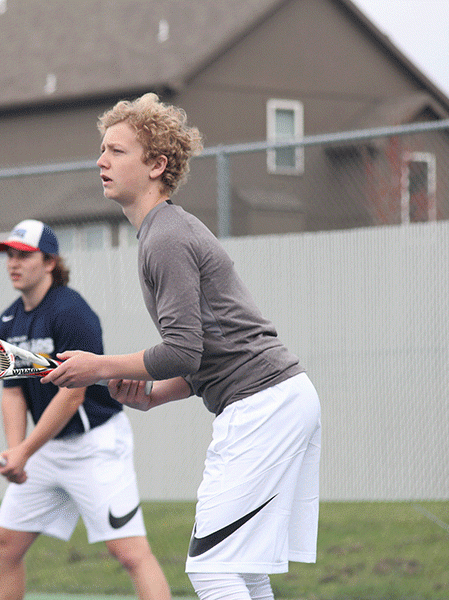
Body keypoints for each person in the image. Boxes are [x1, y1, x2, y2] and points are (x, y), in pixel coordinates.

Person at [41, 93, 322, 600]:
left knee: (212, 569)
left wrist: (98, 368)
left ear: (157, 165)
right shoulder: (163, 234)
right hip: (275, 399)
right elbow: (206, 353)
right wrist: (154, 394)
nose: (101, 161)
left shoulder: (166, 238)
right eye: (102, 150)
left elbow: (183, 350)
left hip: (263, 404)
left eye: (117, 151)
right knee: (241, 567)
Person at [0, 218, 171, 600]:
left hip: (95, 444)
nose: (13, 263)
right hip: (46, 447)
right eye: (9, 255)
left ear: (50, 262)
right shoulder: (8, 320)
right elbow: (13, 393)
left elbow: (72, 396)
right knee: (3, 547)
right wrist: (15, 450)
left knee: (129, 553)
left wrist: (24, 451)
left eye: (24, 255)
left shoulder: (71, 311)